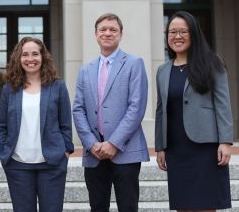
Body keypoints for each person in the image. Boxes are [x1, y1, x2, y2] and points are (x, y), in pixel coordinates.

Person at [155, 11, 233, 211]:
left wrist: (225, 142)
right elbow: (161, 110)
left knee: (206, 204)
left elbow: (223, 104)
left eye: (183, 31)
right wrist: (160, 147)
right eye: (172, 32)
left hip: (206, 148)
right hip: (176, 149)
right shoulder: (163, 70)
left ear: (194, 34)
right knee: (183, 205)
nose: (177, 36)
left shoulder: (212, 62)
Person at [72, 13, 149, 212]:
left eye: (113, 29)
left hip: (126, 151)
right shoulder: (85, 70)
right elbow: (78, 109)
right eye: (103, 30)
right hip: (94, 154)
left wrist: (114, 143)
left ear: (120, 34)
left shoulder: (134, 63)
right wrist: (91, 144)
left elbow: (136, 107)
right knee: (97, 207)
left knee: (128, 207)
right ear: (96, 35)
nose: (107, 33)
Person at [0, 37, 74, 212]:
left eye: (35, 54)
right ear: (18, 58)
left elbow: (65, 124)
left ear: (43, 57)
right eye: (25, 54)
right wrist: (2, 151)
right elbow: (1, 124)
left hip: (51, 163)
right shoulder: (10, 88)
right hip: (17, 164)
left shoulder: (58, 86)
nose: (30, 59)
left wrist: (66, 150)